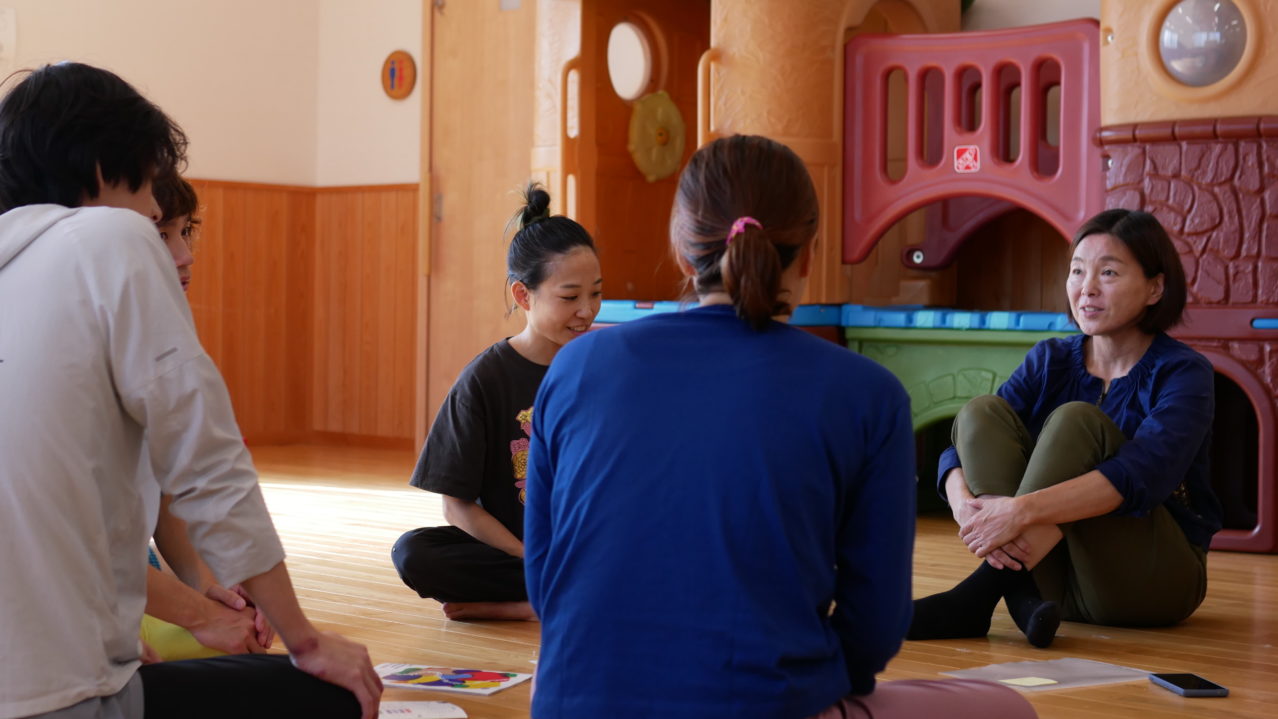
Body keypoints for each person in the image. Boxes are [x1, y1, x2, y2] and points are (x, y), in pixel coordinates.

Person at [523, 135, 1034, 719]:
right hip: (762, 701)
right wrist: (803, 680)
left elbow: (544, 581)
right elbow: (874, 626)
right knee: (1006, 709)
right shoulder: (866, 393)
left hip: (570, 700)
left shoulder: (575, 367)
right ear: (809, 255)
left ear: (682, 250)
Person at [0, 62, 380, 719]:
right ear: (100, 165)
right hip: (58, 700)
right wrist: (306, 640)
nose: (154, 210)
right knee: (334, 693)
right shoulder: (110, 237)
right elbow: (206, 465)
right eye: (148, 184)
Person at [908, 208, 1221, 649]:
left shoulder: (1184, 372)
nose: (1086, 288)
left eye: (1108, 272)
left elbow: (1142, 477)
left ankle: (979, 593)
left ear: (1155, 287)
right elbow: (964, 446)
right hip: (1051, 586)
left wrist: (1018, 513)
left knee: (1077, 421)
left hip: (1147, 582)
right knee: (981, 412)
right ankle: (1018, 593)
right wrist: (966, 509)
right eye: (1077, 271)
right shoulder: (1049, 359)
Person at [391, 184, 601, 621]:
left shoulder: (603, 366)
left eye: (595, 293)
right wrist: (531, 557)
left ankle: (527, 604)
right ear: (523, 295)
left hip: (591, 545)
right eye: (570, 297)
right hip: (518, 554)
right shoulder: (485, 379)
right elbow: (456, 505)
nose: (586, 310)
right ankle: (543, 600)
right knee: (414, 552)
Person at [136, 172, 276, 662]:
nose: (185, 255)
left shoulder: (163, 337)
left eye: (185, 232)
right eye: (160, 234)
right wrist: (201, 615)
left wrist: (213, 588)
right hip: (57, 597)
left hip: (129, 574)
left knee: (239, 647)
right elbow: (72, 551)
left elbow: (163, 495)